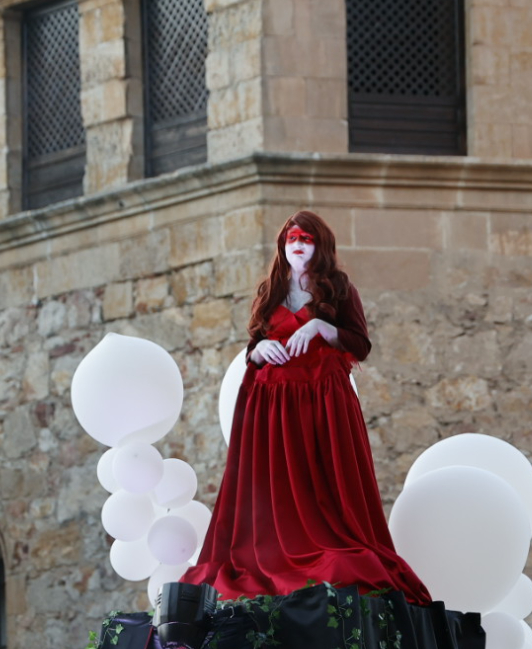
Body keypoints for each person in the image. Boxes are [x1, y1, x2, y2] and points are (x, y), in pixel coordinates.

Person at [180, 211, 430, 605]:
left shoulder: (339, 289)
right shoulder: (270, 289)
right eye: (291, 238)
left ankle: (324, 547)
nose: (297, 245)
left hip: (321, 402)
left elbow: (359, 344)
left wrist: (320, 328)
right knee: (275, 480)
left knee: (323, 478)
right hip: (273, 409)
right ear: (282, 245)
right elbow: (255, 343)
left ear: (320, 246)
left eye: (307, 239)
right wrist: (257, 350)